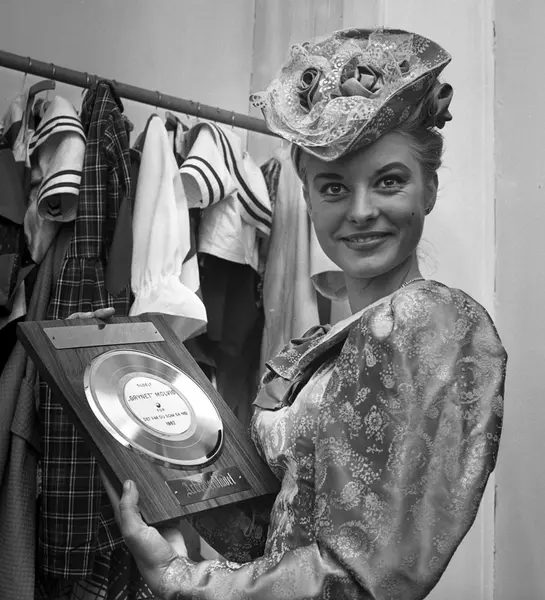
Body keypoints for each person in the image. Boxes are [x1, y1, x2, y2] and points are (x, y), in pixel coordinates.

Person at [88, 28, 506, 599]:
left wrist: (184, 581)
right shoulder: (318, 344)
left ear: (429, 189)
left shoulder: (430, 322)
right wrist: (129, 376)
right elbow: (269, 530)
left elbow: (360, 579)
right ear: (307, 198)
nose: (361, 211)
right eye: (334, 188)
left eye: (389, 181)